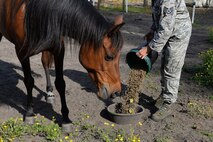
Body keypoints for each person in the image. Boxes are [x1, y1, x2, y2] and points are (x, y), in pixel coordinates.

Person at [136, 0, 192, 121]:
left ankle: (168, 103)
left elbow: (166, 29)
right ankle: (164, 94)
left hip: (179, 34)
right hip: (168, 29)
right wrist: (152, 31)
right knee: (164, 64)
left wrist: (148, 48)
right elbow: (159, 15)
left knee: (171, 67)